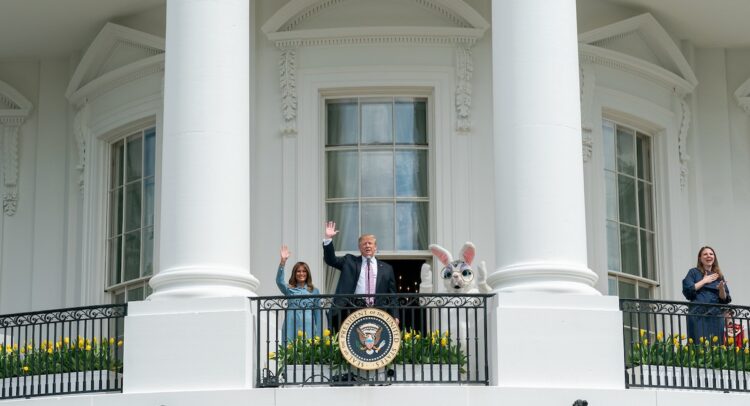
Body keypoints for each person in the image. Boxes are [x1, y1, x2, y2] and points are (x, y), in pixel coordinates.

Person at [322, 221, 398, 330]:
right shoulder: (350, 261)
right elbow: (331, 260)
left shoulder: (386, 268)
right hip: (353, 310)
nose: (367, 245)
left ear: (375, 247)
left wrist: (395, 315)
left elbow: (392, 295)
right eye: (364, 243)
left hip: (378, 312)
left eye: (370, 243)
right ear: (359, 247)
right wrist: (328, 239)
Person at [681, 246, 731, 343]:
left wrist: (721, 289)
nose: (708, 256)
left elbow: (724, 299)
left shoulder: (718, 276)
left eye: (711, 254)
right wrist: (704, 281)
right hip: (697, 314)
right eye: (705, 254)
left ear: (714, 257)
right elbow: (688, 290)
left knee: (715, 346)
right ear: (700, 258)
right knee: (698, 344)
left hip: (715, 315)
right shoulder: (693, 272)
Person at [276, 245, 322, 342]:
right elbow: (279, 281)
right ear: (294, 273)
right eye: (298, 271)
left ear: (307, 273)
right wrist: (283, 262)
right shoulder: (289, 289)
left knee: (308, 350)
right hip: (291, 322)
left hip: (308, 323)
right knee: (290, 349)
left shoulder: (314, 290)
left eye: (304, 271)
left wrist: (318, 336)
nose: (301, 273)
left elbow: (318, 314)